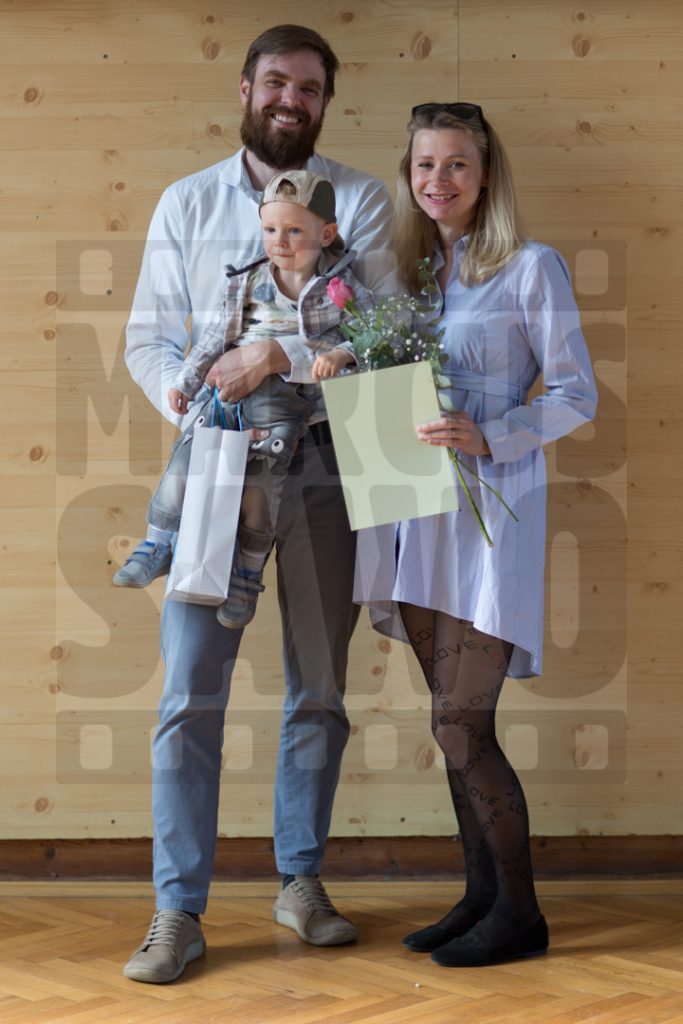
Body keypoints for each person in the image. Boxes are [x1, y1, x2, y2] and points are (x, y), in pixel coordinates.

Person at [122, 24, 394, 984]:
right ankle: (176, 910)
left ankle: (300, 880)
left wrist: (278, 354)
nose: (290, 99)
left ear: (325, 103)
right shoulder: (187, 202)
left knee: (318, 689)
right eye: (275, 81)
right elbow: (148, 339)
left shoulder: (360, 200)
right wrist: (201, 402)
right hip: (218, 468)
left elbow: (383, 335)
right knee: (189, 692)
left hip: (326, 468)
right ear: (245, 88)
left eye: (309, 88)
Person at [354, 102, 597, 968]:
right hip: (418, 511)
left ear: (486, 174)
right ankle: (479, 897)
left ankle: (521, 914)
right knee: (446, 721)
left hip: (490, 509)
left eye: (455, 164)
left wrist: (493, 435)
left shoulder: (531, 267)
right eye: (424, 165)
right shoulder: (410, 279)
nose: (438, 181)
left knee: (464, 724)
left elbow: (575, 393)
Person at [114, 169, 364, 630]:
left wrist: (340, 354)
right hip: (225, 392)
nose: (279, 242)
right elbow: (215, 337)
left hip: (285, 399)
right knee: (187, 462)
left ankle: (247, 574)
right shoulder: (249, 278)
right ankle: (158, 541)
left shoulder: (340, 287)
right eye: (270, 229)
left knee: (259, 488)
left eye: (294, 231)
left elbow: (370, 340)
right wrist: (187, 382)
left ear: (326, 234)